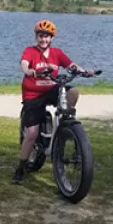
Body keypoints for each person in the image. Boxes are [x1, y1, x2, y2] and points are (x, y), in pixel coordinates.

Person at [12, 19, 94, 184]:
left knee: (73, 91)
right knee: (32, 133)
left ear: (52, 38)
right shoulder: (30, 51)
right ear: (36, 36)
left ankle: (66, 120)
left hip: (51, 89)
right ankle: (20, 167)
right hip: (33, 93)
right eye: (40, 36)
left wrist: (83, 71)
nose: (43, 39)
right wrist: (29, 71)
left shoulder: (57, 53)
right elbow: (24, 64)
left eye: (47, 36)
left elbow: (70, 65)